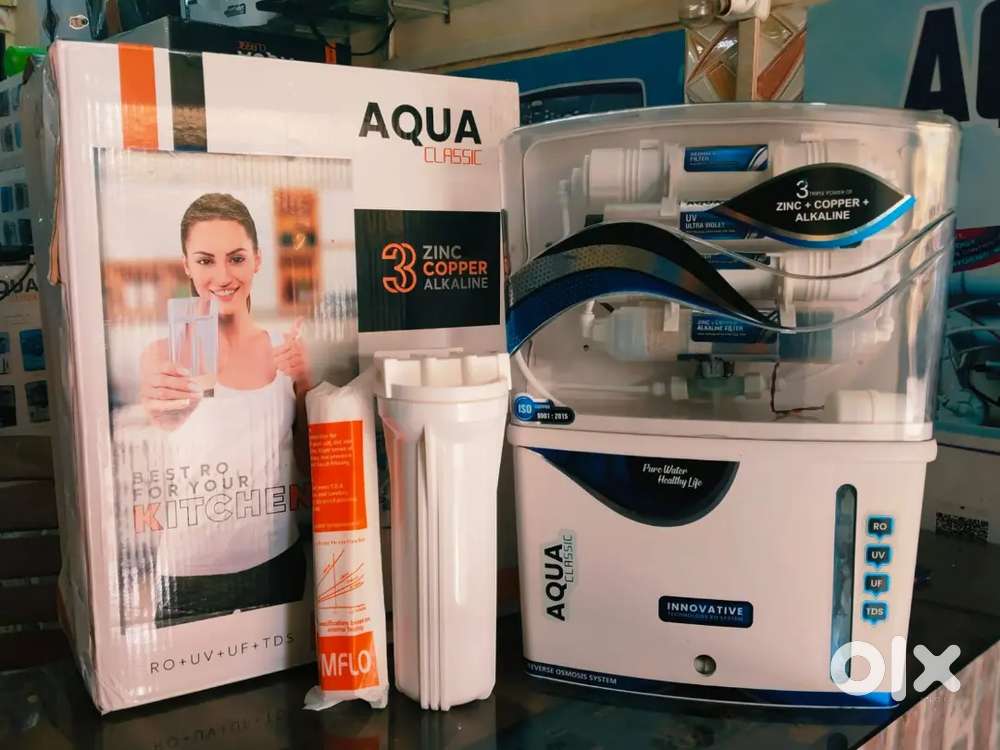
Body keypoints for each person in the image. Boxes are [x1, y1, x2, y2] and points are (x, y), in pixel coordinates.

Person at [138, 193, 310, 627]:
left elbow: (310, 468)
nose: (222, 276)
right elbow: (154, 442)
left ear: (257, 260)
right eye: (205, 261)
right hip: (189, 574)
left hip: (277, 561)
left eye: (235, 258)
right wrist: (162, 413)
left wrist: (306, 385)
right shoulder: (162, 356)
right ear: (187, 266)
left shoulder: (286, 351)